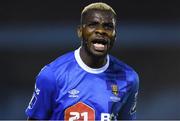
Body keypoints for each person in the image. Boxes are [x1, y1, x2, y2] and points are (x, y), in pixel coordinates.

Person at [25, 2, 139, 120]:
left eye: (108, 26)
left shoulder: (128, 78)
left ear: (115, 35)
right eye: (93, 25)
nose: (101, 31)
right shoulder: (52, 75)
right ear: (80, 31)